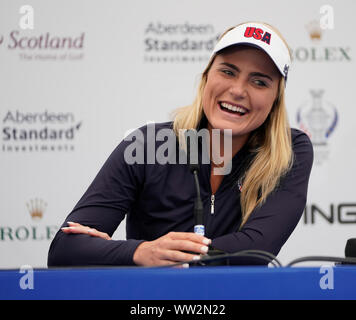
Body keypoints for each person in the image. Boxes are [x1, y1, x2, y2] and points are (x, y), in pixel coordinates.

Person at [47, 21, 313, 267]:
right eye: (228, 71)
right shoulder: (147, 144)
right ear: (207, 77)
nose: (238, 90)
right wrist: (139, 252)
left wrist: (142, 254)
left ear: (276, 98)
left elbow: (257, 249)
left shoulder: (290, 150)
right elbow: (64, 251)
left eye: (259, 81)